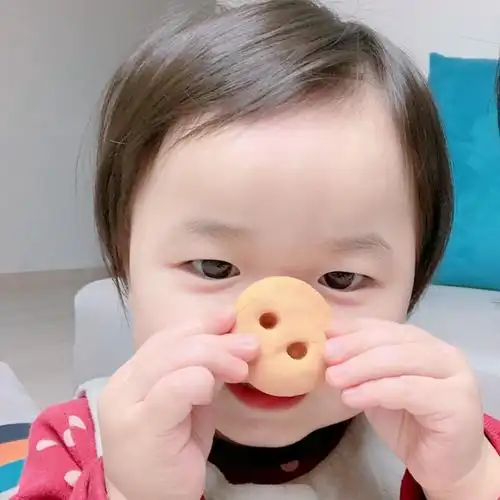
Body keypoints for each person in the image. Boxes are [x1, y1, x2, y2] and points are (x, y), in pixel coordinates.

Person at [14, 1, 500, 499]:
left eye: (341, 279)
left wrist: (470, 480)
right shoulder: (80, 442)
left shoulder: (440, 439)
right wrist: (126, 490)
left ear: (413, 281)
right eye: (214, 267)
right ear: (125, 259)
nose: (264, 336)